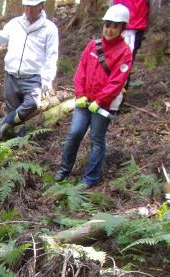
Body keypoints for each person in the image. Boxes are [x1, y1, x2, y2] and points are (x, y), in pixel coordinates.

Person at [54, 5, 132, 187]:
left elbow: (117, 81)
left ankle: (90, 178)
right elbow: (81, 70)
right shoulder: (93, 45)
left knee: (97, 139)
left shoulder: (124, 53)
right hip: (84, 100)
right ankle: (64, 169)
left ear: (122, 28)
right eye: (107, 25)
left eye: (114, 26)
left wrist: (100, 101)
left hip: (104, 105)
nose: (109, 29)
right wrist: (80, 94)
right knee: (74, 133)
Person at [0, 0, 58, 140]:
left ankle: (5, 122)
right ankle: (15, 147)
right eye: (27, 6)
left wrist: (46, 80)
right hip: (11, 76)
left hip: (33, 78)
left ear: (41, 6)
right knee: (15, 116)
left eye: (33, 7)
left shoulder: (49, 28)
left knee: (32, 104)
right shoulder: (15, 23)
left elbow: (52, 56)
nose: (29, 10)